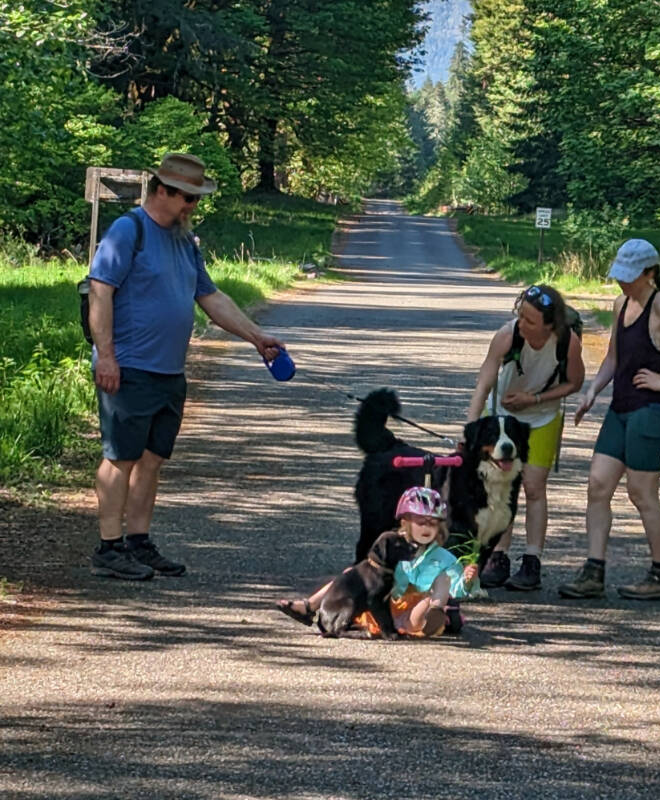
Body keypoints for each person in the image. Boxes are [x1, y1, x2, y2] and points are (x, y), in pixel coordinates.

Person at [87, 152, 285, 581]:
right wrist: (106, 355)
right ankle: (109, 547)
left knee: (152, 459)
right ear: (162, 190)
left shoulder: (184, 242)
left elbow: (211, 298)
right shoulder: (128, 231)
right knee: (119, 457)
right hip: (129, 367)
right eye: (187, 198)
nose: (193, 206)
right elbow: (100, 293)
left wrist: (256, 336)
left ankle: (138, 542)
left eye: (196, 198)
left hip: (169, 371)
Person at [558, 239, 660, 600]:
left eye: (629, 276)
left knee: (641, 493)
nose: (622, 283)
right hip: (620, 408)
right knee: (597, 484)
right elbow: (614, 356)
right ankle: (593, 571)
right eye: (619, 276)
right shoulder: (621, 303)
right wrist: (593, 389)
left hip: (650, 412)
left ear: (650, 272)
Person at [466, 285, 585, 591]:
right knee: (503, 486)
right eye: (520, 317)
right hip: (505, 420)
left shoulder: (566, 342)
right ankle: (498, 556)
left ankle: (532, 560)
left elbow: (574, 383)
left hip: (542, 417)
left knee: (533, 487)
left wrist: (533, 399)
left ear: (550, 325)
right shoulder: (508, 336)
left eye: (530, 321)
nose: (522, 324)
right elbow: (484, 382)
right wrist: (469, 429)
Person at [277, 486, 479, 637]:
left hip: (417, 607)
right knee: (352, 574)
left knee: (439, 585)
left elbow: (457, 589)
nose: (427, 528)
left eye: (433, 524)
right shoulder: (392, 546)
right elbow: (371, 577)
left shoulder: (444, 558)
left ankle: (435, 611)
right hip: (387, 604)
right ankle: (310, 606)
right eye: (420, 522)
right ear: (405, 523)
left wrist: (467, 582)